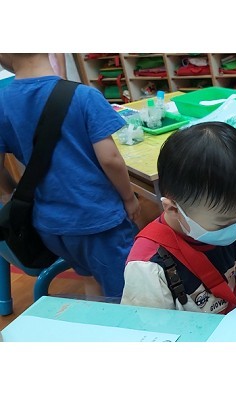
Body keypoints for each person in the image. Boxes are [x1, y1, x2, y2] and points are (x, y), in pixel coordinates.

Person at [0, 53, 140, 298]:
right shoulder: (84, 95)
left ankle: (96, 316)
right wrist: (129, 198)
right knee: (125, 287)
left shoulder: (3, 102)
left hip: (50, 225)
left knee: (89, 277)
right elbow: (110, 159)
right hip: (98, 219)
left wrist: (12, 192)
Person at [120, 122, 236, 313]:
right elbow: (154, 329)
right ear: (173, 209)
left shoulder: (233, 225)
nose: (234, 227)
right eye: (222, 223)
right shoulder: (148, 268)